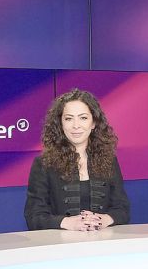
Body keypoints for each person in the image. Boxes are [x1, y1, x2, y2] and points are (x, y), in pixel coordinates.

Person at [25, 89, 129, 231]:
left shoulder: (109, 160)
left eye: (83, 118)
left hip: (102, 243)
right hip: (60, 245)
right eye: (68, 118)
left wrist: (104, 219)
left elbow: (122, 209)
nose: (76, 125)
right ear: (60, 124)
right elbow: (34, 216)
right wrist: (68, 223)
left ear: (94, 123)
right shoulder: (43, 163)